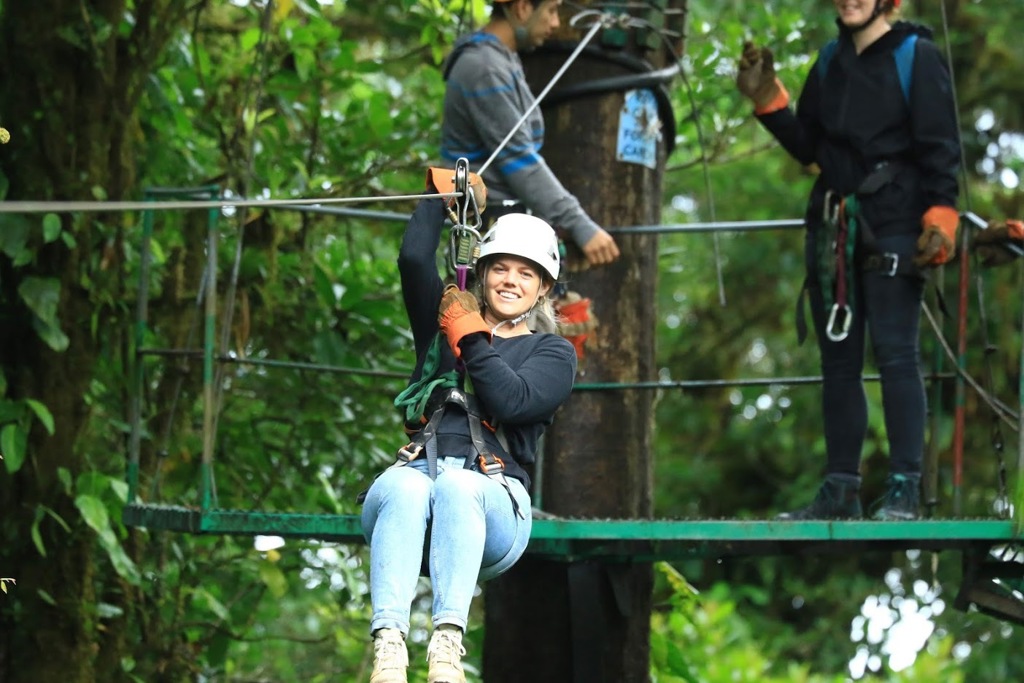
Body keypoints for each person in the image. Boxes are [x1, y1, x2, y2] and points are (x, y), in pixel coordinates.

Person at [736, 0, 961, 520]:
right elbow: (809, 147)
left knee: (896, 353)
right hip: (835, 226)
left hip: (897, 222)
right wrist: (768, 101)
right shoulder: (831, 60)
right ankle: (841, 490)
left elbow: (940, 146)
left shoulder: (915, 55)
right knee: (838, 364)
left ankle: (905, 488)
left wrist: (941, 216)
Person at [360, 176, 577, 683]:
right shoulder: (443, 328)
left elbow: (511, 399)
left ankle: (447, 644)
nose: (510, 280)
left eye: (526, 273)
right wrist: (440, 197)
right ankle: (389, 644)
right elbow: (414, 260)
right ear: (480, 273)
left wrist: (472, 336)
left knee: (460, 485)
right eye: (499, 267)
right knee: (400, 484)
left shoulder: (553, 354)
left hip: (495, 506)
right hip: (418, 484)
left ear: (543, 287)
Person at [440, 0, 620, 268]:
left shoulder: (501, 57)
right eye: (551, 10)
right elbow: (518, 159)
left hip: (503, 221)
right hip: (487, 228)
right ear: (522, 8)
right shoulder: (484, 66)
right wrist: (579, 224)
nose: (556, 22)